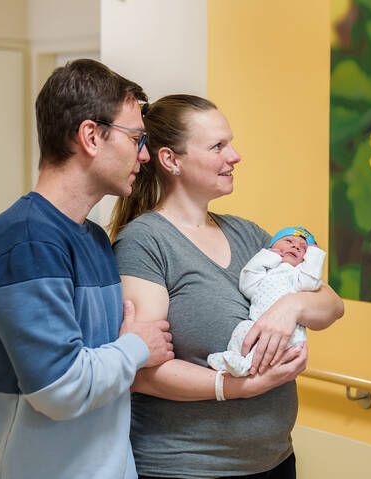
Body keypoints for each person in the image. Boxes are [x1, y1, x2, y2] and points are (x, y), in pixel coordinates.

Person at [0, 59, 175, 479]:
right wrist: (137, 346)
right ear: (91, 136)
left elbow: (102, 374)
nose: (145, 155)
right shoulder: (26, 241)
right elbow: (59, 390)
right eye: (137, 138)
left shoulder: (92, 238)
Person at [109, 94, 344, 478]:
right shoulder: (146, 242)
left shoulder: (247, 234)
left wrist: (291, 308)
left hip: (275, 461)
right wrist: (238, 388)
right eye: (218, 146)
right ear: (171, 160)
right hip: (188, 467)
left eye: (230, 144)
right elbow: (143, 371)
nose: (234, 156)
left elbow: (331, 305)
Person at [208, 227, 326, 377]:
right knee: (243, 328)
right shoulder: (266, 272)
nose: (295, 246)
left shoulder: (298, 275)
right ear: (271, 248)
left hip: (288, 332)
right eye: (288, 241)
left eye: (303, 248)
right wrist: (267, 257)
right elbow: (247, 285)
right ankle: (234, 356)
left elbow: (311, 282)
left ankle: (245, 366)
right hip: (256, 324)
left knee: (270, 345)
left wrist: (315, 254)